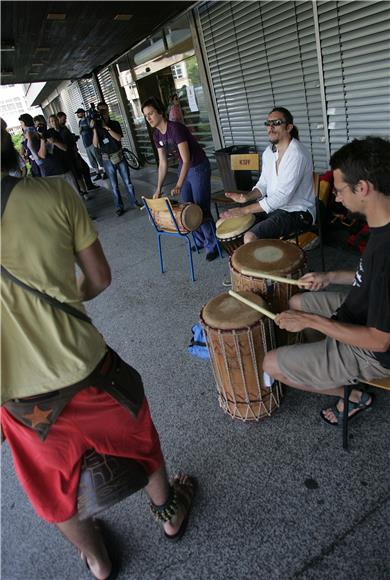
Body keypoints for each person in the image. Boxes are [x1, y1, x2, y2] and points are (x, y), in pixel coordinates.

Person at [1, 126, 196, 580]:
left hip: (22, 401)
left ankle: (97, 560)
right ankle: (170, 517)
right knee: (139, 436)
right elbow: (98, 278)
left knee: (53, 487)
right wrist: (62, 301)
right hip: (87, 369)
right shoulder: (54, 194)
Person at [263, 136, 390, 426]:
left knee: (270, 363)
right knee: (297, 300)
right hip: (360, 311)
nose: (336, 197)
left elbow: (380, 341)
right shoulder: (382, 223)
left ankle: (354, 394)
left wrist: (312, 321)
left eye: (340, 189)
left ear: (363, 188)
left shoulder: (387, 253)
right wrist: (329, 276)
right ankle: (333, 359)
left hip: (372, 350)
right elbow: (369, 275)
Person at [220, 107, 315, 244]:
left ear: (289, 127)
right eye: (268, 123)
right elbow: (263, 184)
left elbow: (282, 197)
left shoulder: (296, 154)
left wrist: (245, 210)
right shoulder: (268, 153)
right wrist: (246, 197)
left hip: (298, 212)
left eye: (276, 123)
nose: (270, 127)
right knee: (225, 222)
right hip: (275, 208)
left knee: (250, 237)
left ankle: (268, 263)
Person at [142, 96, 219, 261]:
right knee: (187, 207)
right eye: (145, 115)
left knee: (201, 208)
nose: (148, 118)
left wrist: (178, 184)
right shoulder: (157, 136)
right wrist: (158, 188)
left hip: (198, 166)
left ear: (160, 113)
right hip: (183, 167)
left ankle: (213, 245)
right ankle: (199, 241)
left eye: (151, 114)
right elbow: (162, 164)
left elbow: (187, 159)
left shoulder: (175, 129)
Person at [92, 102, 140, 216]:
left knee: (128, 182)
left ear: (108, 110)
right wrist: (94, 129)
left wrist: (107, 128)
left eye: (104, 109)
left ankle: (134, 202)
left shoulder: (114, 123)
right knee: (114, 185)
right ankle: (119, 207)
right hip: (107, 159)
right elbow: (95, 145)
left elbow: (118, 138)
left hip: (119, 156)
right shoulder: (97, 127)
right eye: (100, 110)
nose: (103, 112)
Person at [57, 111, 99, 196]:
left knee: (84, 168)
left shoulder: (63, 128)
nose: (65, 120)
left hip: (74, 152)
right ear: (59, 118)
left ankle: (87, 186)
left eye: (65, 118)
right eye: (64, 118)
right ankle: (84, 189)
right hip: (71, 154)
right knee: (80, 171)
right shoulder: (60, 130)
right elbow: (66, 141)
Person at [75, 107, 106, 181]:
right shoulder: (79, 122)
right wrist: (80, 131)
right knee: (92, 160)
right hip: (86, 144)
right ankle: (98, 173)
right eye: (77, 113)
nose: (78, 114)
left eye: (79, 113)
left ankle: (105, 172)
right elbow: (80, 132)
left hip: (92, 142)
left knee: (98, 158)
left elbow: (93, 127)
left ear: (83, 113)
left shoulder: (88, 119)